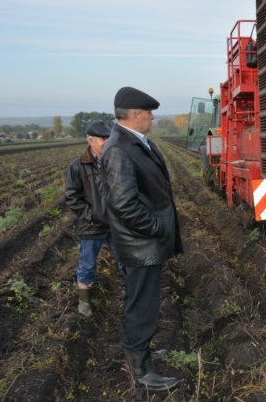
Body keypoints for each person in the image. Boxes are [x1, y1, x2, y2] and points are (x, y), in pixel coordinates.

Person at [102, 87, 183, 391]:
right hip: (141, 245)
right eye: (148, 112)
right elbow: (123, 205)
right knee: (141, 306)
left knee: (143, 302)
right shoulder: (119, 150)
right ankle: (141, 370)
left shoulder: (133, 142)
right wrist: (159, 228)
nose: (152, 116)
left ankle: (143, 351)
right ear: (134, 116)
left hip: (145, 243)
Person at [64, 120, 115, 318]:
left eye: (109, 138)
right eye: (103, 139)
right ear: (91, 140)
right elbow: (72, 197)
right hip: (92, 226)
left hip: (117, 224)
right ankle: (84, 303)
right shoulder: (77, 167)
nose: (107, 142)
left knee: (125, 260)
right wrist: (92, 215)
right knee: (87, 264)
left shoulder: (116, 161)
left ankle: (132, 296)